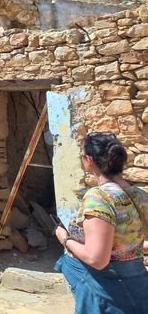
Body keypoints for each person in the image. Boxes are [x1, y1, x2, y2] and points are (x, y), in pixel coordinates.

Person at [55, 132, 148, 313]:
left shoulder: (99, 198)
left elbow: (97, 259)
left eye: (82, 157)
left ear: (89, 160)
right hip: (138, 284)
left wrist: (65, 239)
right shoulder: (141, 196)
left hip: (106, 290)